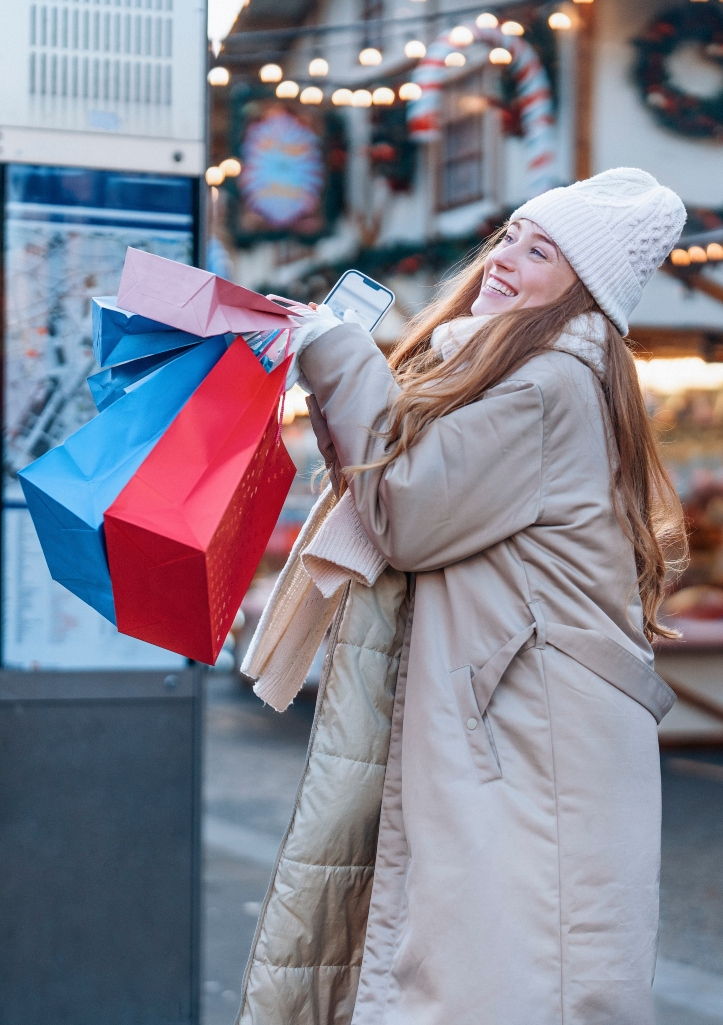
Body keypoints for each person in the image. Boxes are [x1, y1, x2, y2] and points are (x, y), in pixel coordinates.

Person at [239, 168, 688, 1025]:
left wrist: (336, 351)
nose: (504, 259)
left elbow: (405, 509)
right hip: (519, 723)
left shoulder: (545, 383)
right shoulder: (527, 370)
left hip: (527, 735)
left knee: (501, 979)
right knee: (476, 971)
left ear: (582, 287)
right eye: (510, 236)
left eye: (541, 249)